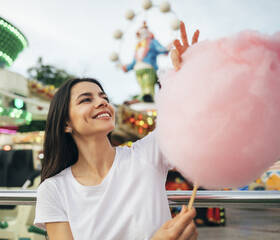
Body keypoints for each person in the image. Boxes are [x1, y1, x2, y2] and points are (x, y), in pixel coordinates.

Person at [34, 22, 199, 240]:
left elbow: (187, 118)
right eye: (86, 99)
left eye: (104, 98)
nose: (102, 103)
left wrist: (189, 75)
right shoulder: (54, 189)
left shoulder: (147, 155)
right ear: (66, 123)